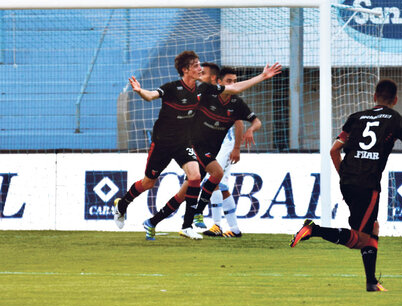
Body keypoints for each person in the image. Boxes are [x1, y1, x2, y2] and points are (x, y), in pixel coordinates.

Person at [115, 53, 280, 240]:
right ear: (185, 70)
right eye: (196, 66)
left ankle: (185, 225)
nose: (200, 68)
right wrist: (139, 90)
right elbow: (151, 95)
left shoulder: (205, 89)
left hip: (184, 143)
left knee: (193, 179)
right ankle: (123, 205)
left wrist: (262, 76)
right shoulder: (172, 88)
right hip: (163, 143)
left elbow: (234, 90)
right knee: (149, 183)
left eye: (200, 65)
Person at [290, 79, 402, 292]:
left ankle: (371, 281)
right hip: (368, 183)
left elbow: (334, 151)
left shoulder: (356, 118)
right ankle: (313, 230)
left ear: (374, 98)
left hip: (348, 180)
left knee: (373, 227)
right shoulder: (397, 119)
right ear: (395, 100)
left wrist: (345, 175)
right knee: (362, 239)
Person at [145, 63, 263, 240]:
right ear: (220, 82)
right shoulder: (207, 95)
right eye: (228, 81)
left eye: (234, 81)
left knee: (183, 194)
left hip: (212, 150)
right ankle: (198, 215)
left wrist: (250, 130)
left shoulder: (237, 103)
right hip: (194, 146)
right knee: (217, 175)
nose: (232, 84)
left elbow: (252, 121)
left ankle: (153, 222)